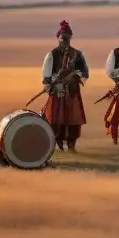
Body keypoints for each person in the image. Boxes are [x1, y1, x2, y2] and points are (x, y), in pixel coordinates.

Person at [40, 20, 89, 152]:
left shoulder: (77, 54)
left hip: (72, 91)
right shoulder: (52, 55)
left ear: (70, 38)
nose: (65, 41)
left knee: (73, 120)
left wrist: (75, 76)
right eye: (62, 38)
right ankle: (58, 143)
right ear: (58, 38)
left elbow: (85, 72)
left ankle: (72, 146)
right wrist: (53, 85)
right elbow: (46, 76)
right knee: (56, 120)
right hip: (57, 92)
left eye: (67, 38)